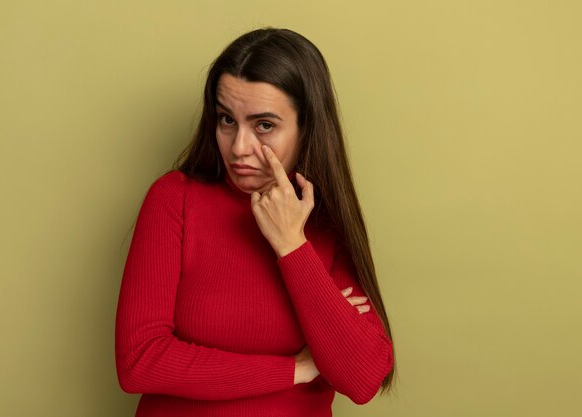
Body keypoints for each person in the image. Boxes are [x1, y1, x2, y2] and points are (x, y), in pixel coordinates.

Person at [115, 27, 396, 417]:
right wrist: (296, 369)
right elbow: (140, 362)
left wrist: (292, 245)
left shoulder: (326, 225)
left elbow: (362, 379)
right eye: (227, 120)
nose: (239, 147)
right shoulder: (174, 200)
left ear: (307, 127)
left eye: (264, 125)